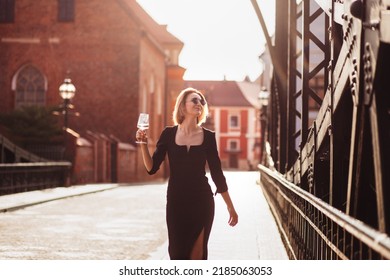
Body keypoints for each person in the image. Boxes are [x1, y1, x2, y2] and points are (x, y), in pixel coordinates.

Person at [136, 87, 238, 260]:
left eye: (201, 101)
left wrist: (230, 206)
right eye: (195, 100)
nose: (199, 103)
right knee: (177, 254)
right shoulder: (168, 134)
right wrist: (143, 144)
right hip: (176, 202)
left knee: (197, 255)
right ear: (182, 106)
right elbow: (151, 168)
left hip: (202, 201)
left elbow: (217, 174)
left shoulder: (208, 136)